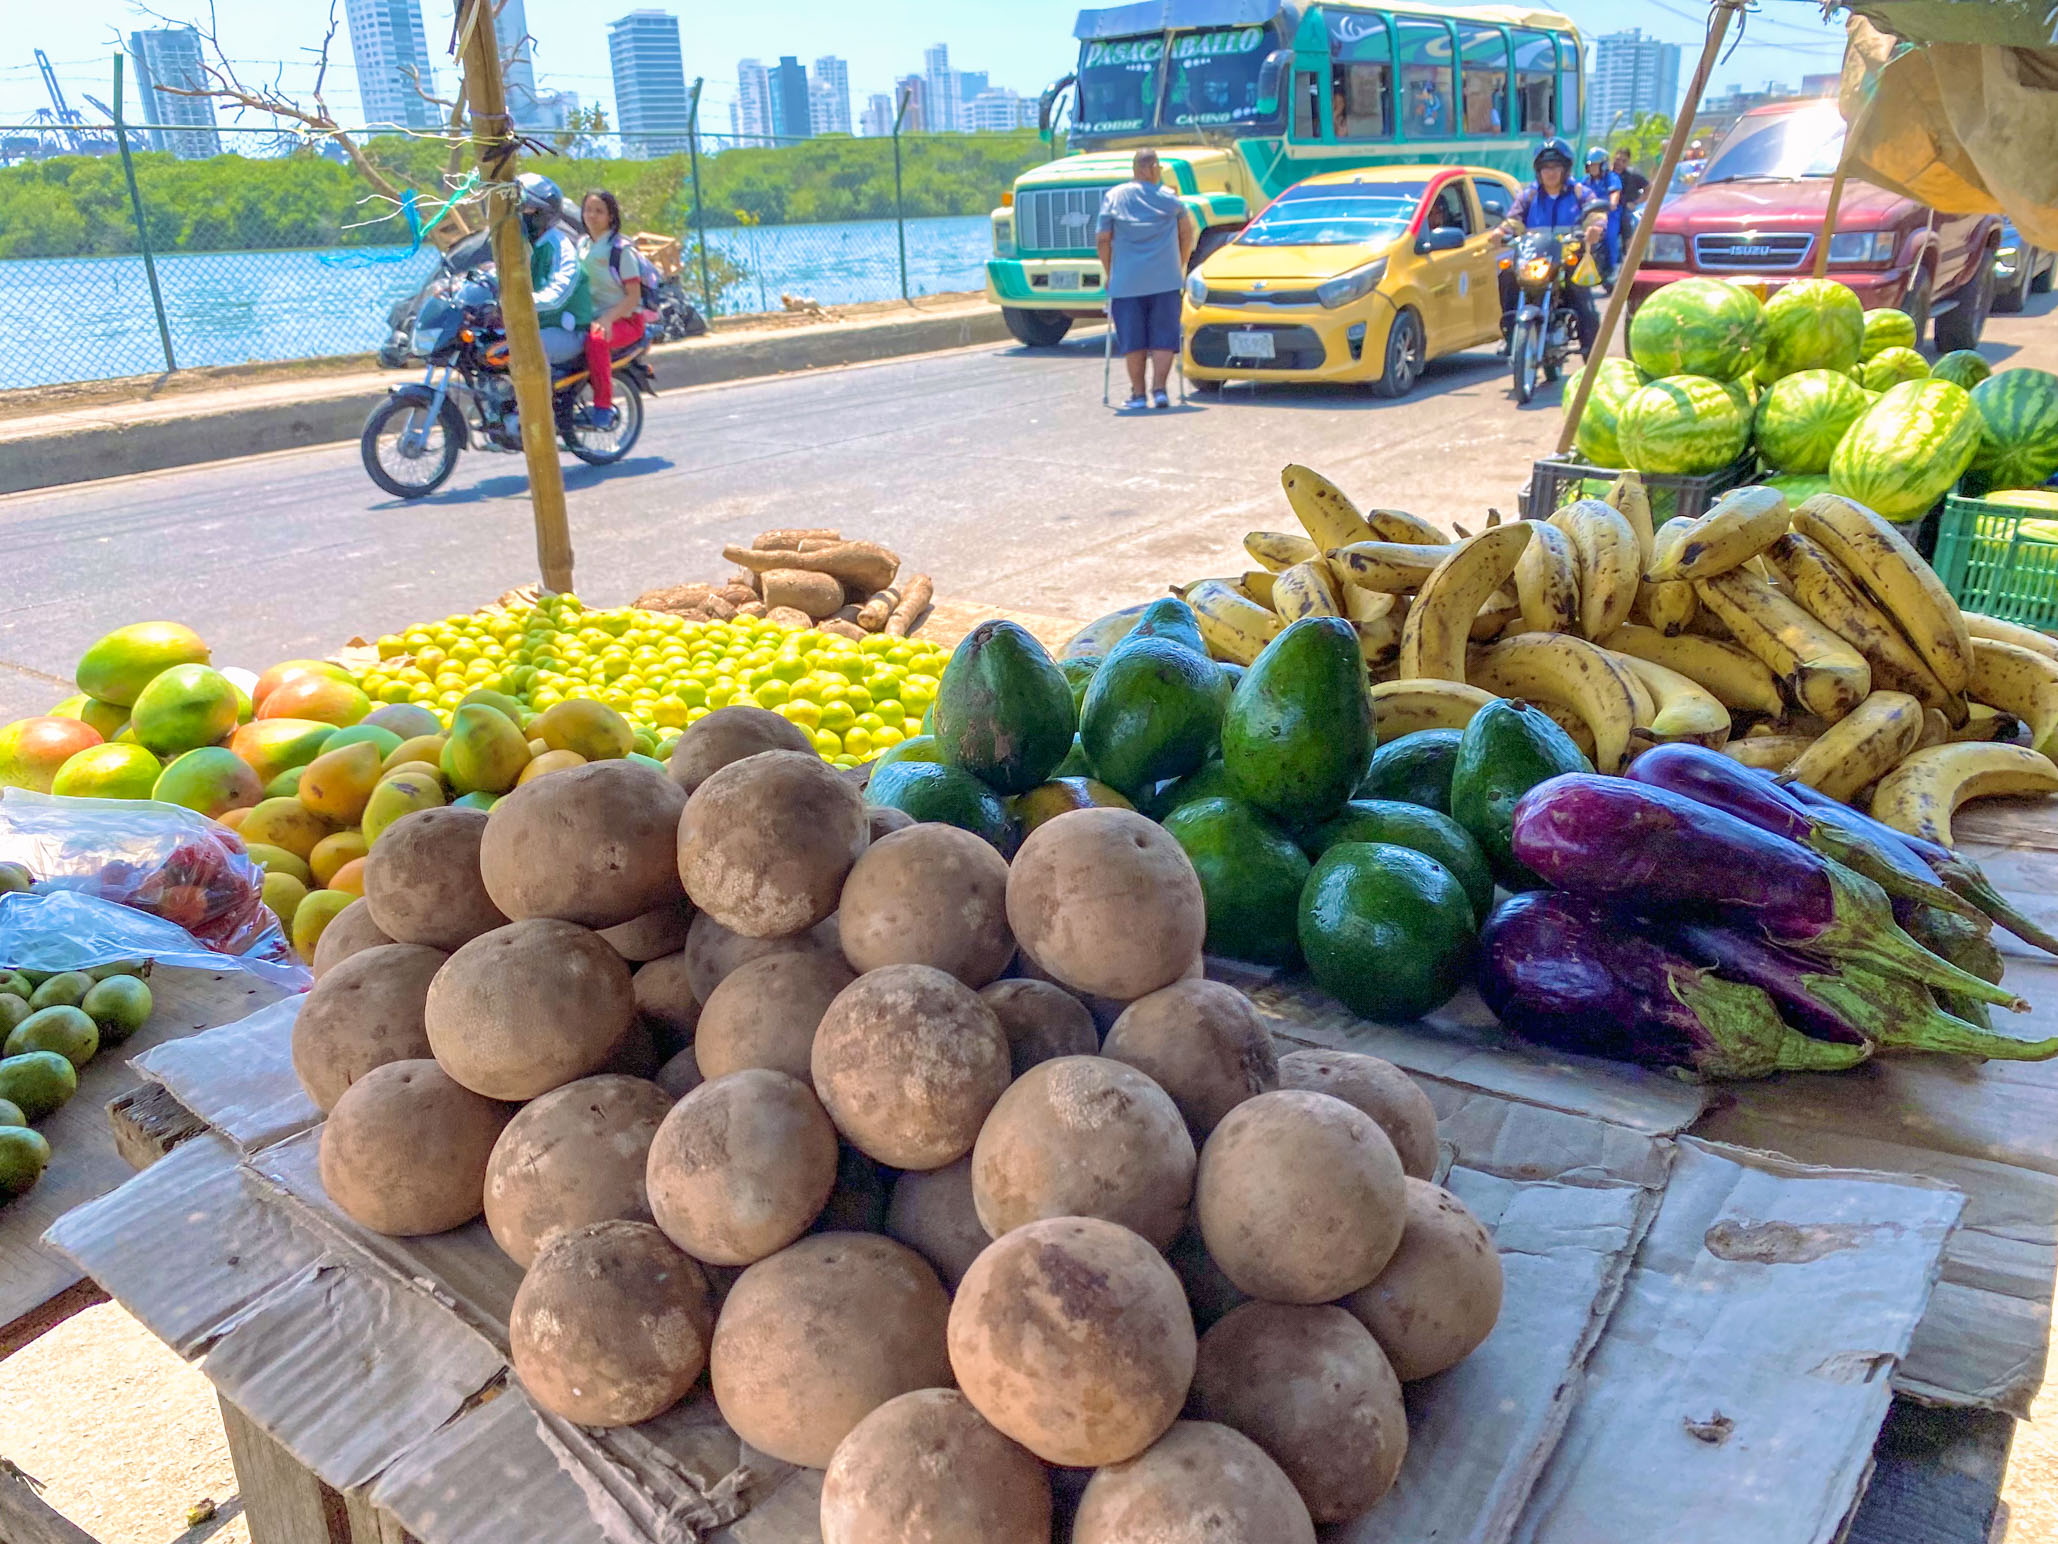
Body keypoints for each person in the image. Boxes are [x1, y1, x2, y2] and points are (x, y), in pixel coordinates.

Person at [1094, 149, 1197, 411]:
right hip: (1165, 279)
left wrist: (1110, 271)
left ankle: (1138, 395)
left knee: (1133, 339)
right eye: (1158, 169)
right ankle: (1160, 391)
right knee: (1164, 337)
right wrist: (1180, 264)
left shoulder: (1114, 197)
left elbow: (1102, 239)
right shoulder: (1170, 199)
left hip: (1127, 282)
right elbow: (1187, 232)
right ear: (1151, 168)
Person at [1488, 138, 1609, 357]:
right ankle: (1512, 335)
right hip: (1534, 255)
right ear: (1538, 171)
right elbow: (1513, 220)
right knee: (1506, 275)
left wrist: (1595, 229)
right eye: (1545, 168)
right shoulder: (1529, 195)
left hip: (1567, 254)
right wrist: (1500, 233)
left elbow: (1596, 214)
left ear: (1565, 169)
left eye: (1555, 167)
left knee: (1580, 292)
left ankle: (1591, 348)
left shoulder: (1580, 192)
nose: (1550, 172)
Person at [579, 189, 648, 432]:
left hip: (626, 321)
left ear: (611, 216)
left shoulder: (621, 249)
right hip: (592, 317)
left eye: (599, 211)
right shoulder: (583, 246)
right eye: (588, 210)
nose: (592, 216)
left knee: (596, 341)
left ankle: (603, 407)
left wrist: (608, 319)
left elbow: (633, 297)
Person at [516, 173, 593, 376]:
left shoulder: (559, 246)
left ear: (542, 213)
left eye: (525, 209)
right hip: (541, 325)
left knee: (516, 348)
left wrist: (517, 303)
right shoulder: (527, 246)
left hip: (568, 330)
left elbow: (557, 296)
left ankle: (535, 406)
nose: (519, 214)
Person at [1582, 146, 1623, 282]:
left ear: (1603, 165)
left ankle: (1615, 267)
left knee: (1610, 237)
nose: (1592, 168)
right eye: (1590, 165)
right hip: (1591, 216)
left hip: (1610, 215)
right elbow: (1577, 192)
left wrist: (1612, 203)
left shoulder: (1612, 177)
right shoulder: (1585, 181)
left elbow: (1615, 193)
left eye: (1595, 165)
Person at [1612, 148, 1651, 248]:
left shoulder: (1633, 175)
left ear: (1628, 162)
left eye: (1623, 161)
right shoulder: (1608, 174)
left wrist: (1636, 203)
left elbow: (1649, 189)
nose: (1619, 163)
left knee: (1626, 219)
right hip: (1611, 207)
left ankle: (1628, 251)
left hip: (1627, 208)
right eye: (1617, 159)